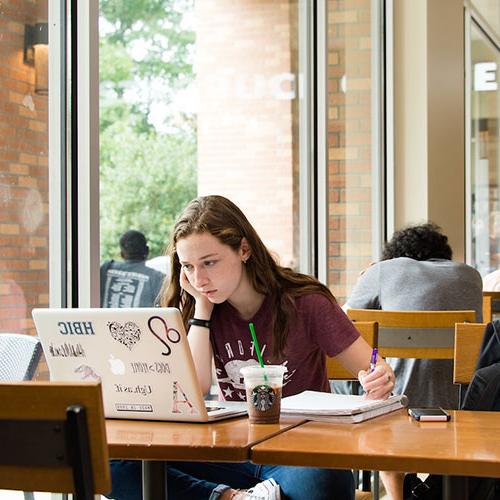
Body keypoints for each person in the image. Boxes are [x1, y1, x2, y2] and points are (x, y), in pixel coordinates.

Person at [107, 195, 395, 500]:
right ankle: (231, 497)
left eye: (209, 263)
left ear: (244, 249)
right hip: (228, 451)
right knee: (110, 463)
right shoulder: (201, 307)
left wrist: (380, 375)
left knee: (325, 481)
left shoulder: (306, 302)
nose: (199, 278)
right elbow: (195, 387)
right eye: (188, 266)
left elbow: (374, 366)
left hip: (297, 450)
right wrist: (202, 312)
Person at [342, 222, 483, 500]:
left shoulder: (383, 270)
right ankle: (434, 488)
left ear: (396, 255)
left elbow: (341, 323)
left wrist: (367, 278)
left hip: (395, 403)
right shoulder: (472, 276)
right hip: (463, 405)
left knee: (359, 381)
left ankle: (395, 496)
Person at [100, 229, 165, 308]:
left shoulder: (105, 269)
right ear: (147, 251)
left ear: (121, 254)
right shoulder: (158, 278)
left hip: (103, 320)